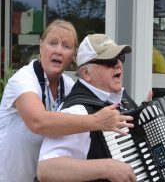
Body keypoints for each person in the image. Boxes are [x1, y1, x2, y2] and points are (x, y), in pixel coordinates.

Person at [0, 21, 134, 182]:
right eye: (52, 43)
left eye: (66, 46)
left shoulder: (69, 85)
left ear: (74, 56)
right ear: (41, 46)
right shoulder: (23, 80)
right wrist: (97, 121)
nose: (58, 50)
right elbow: (38, 122)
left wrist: (138, 114)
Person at [37, 34, 145, 182]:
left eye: (120, 58)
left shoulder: (119, 96)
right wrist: (107, 168)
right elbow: (46, 169)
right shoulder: (78, 110)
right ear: (86, 73)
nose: (118, 64)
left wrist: (146, 120)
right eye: (109, 61)